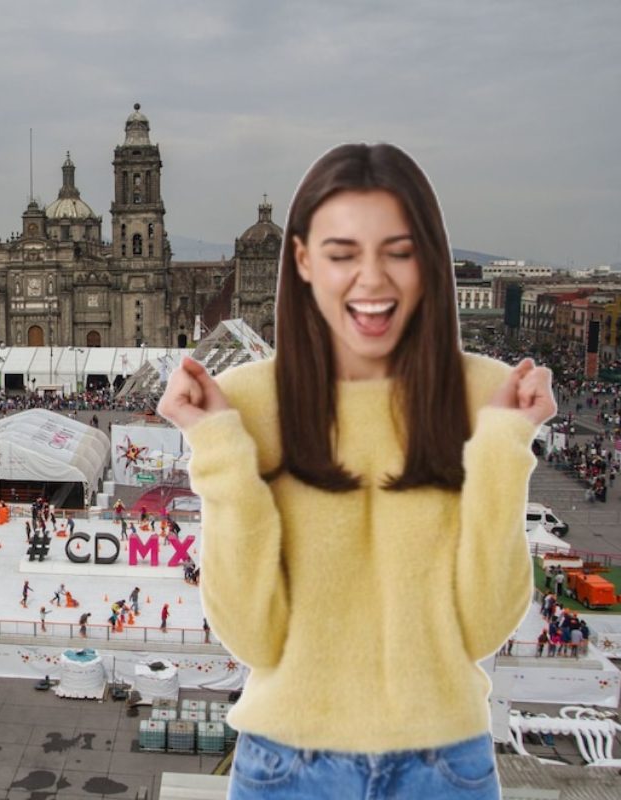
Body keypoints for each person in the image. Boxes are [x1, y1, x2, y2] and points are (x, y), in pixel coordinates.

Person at [156, 143, 554, 800]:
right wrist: (221, 453)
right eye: (343, 253)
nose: (371, 280)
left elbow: (483, 626)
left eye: (398, 251)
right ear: (304, 261)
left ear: (429, 261)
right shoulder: (247, 401)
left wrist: (503, 448)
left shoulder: (487, 396)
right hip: (286, 768)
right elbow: (254, 635)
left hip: (446, 768)